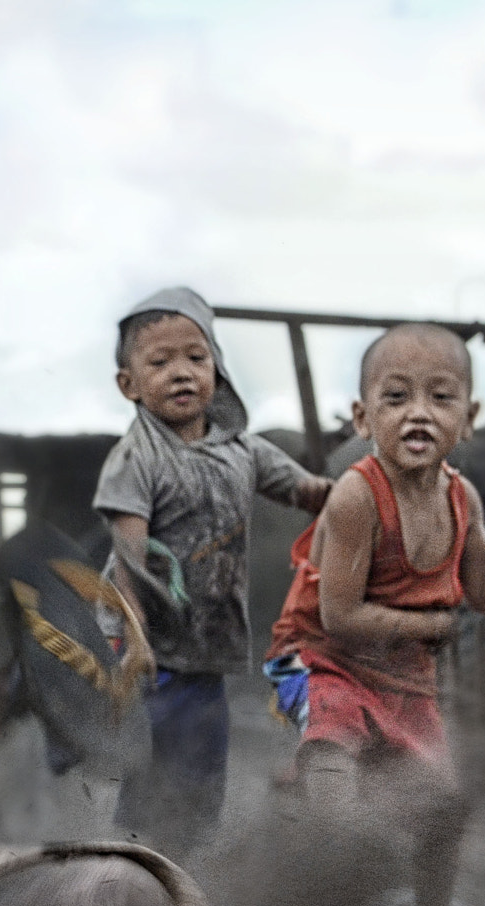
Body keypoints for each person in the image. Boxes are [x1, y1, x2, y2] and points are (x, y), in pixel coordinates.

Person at [262, 324, 485, 906]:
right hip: (316, 659)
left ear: (468, 419)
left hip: (404, 677)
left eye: (440, 398)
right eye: (397, 398)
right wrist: (426, 623)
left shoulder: (462, 499)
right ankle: (307, 904)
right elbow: (339, 617)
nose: (418, 413)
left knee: (446, 808)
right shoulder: (355, 498)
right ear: (364, 417)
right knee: (333, 767)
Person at [92, 288, 332, 853]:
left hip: (207, 633)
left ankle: (184, 859)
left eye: (196, 359)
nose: (182, 373)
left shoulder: (242, 450)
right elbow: (129, 559)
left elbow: (307, 491)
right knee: (159, 750)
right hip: (147, 634)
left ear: (218, 370)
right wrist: (136, 641)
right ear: (129, 384)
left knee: (204, 752)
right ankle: (133, 858)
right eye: (160, 362)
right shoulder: (137, 457)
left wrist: (359, 490)